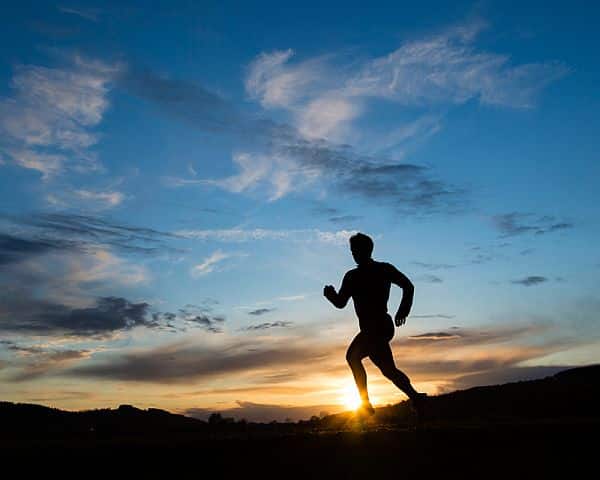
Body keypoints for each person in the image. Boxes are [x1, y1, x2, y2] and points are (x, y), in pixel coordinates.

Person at [324, 232, 426, 419]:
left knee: (353, 358)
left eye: (356, 250)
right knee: (387, 369)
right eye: (353, 251)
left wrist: (403, 310)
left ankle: (366, 405)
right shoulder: (354, 276)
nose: (354, 254)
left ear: (365, 250)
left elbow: (408, 286)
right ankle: (417, 399)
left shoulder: (376, 271)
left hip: (378, 326)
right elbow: (340, 302)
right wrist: (331, 295)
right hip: (377, 328)